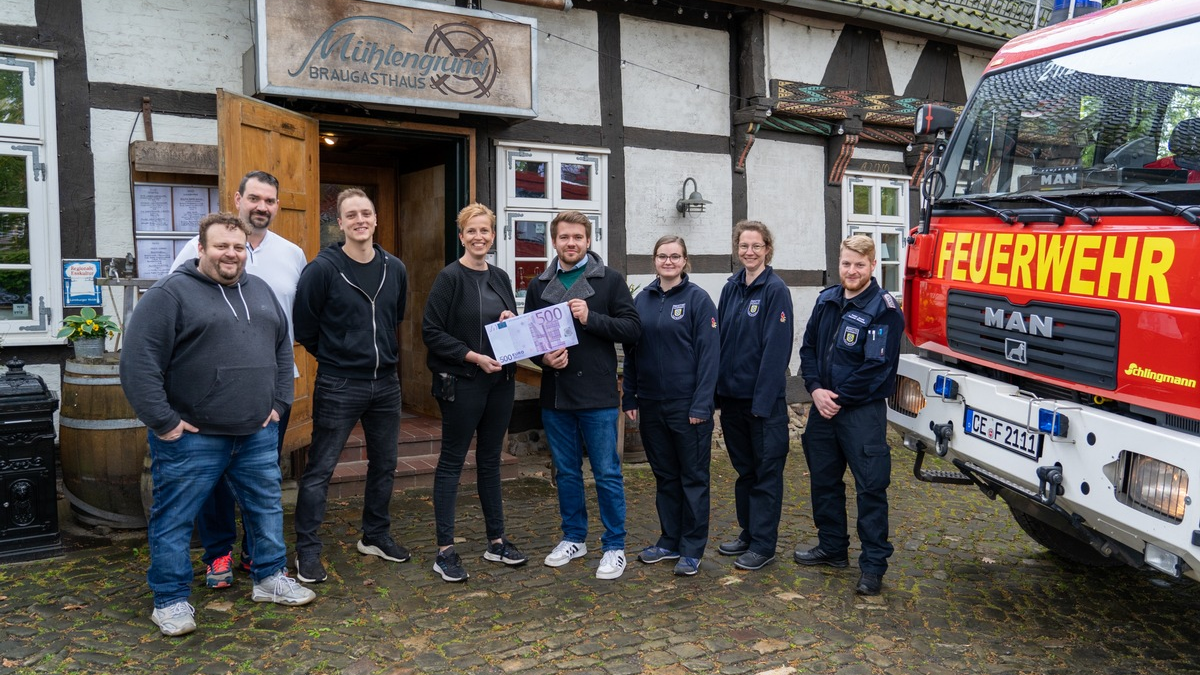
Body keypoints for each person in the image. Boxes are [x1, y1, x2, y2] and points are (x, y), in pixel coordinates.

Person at [120, 212, 315, 637]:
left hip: (256, 433)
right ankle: (170, 600)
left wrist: (280, 403)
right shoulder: (170, 294)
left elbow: (284, 350)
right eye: (221, 246)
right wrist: (164, 422)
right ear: (202, 247)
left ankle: (269, 578)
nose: (231, 253)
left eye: (238, 246)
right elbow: (138, 363)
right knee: (173, 520)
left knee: (266, 509)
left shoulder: (260, 291)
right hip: (192, 438)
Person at [168, 170, 307, 591]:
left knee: (261, 478)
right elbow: (172, 306)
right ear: (238, 199)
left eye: (270, 200)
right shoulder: (195, 249)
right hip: (211, 393)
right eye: (254, 199)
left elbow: (294, 321)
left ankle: (260, 557)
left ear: (277, 206)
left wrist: (282, 396)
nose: (262, 207)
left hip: (268, 392)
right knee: (214, 482)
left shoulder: (293, 254)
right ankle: (219, 553)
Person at [292, 188, 409, 584]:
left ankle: (374, 535)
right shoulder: (322, 269)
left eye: (366, 213)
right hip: (340, 383)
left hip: (386, 383)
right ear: (338, 223)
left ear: (376, 220)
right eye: (351, 215)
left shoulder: (396, 268)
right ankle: (307, 551)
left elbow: (396, 318)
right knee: (321, 468)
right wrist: (338, 356)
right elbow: (305, 328)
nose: (360, 220)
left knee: (385, 464)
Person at [526, 210, 641, 580]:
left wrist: (592, 318)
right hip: (556, 395)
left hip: (598, 393)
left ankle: (614, 545)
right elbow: (529, 340)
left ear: (588, 241)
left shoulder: (610, 281)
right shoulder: (539, 285)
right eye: (564, 237)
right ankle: (574, 537)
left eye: (577, 237)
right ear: (555, 242)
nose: (570, 243)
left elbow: (632, 329)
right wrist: (544, 359)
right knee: (566, 472)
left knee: (607, 472)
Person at [421, 203, 527, 583]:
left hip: (499, 382)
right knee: (452, 462)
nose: (479, 237)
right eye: (472, 231)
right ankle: (444, 550)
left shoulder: (500, 277)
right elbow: (431, 332)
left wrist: (510, 321)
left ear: (493, 235)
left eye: (486, 230)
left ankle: (496, 541)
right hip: (463, 381)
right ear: (461, 235)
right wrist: (474, 357)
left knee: (490, 461)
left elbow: (508, 326)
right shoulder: (449, 278)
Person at [794, 234, 904, 596]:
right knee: (823, 482)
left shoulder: (884, 309)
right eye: (846, 263)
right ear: (839, 263)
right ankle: (832, 548)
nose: (851, 270)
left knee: (871, 488)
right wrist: (814, 389)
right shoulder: (827, 300)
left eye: (859, 264)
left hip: (861, 413)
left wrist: (835, 397)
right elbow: (808, 348)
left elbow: (876, 367)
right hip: (823, 408)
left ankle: (872, 565)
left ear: (873, 266)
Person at [622, 236, 719, 577]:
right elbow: (632, 353)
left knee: (693, 478)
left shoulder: (698, 300)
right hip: (650, 404)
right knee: (665, 476)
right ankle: (669, 540)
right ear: (654, 260)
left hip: (688, 406)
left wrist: (701, 405)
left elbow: (710, 358)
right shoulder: (642, 300)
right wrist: (630, 396)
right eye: (662, 256)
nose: (668, 261)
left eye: (674, 256)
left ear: (684, 261)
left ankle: (692, 548)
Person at [715, 220, 794, 571]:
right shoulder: (730, 288)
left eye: (756, 246)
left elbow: (776, 353)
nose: (749, 252)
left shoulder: (775, 290)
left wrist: (762, 403)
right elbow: (719, 344)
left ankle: (764, 544)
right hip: (732, 401)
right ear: (737, 249)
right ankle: (748, 533)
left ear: (767, 249)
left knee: (766, 474)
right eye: (744, 246)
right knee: (744, 472)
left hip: (763, 405)